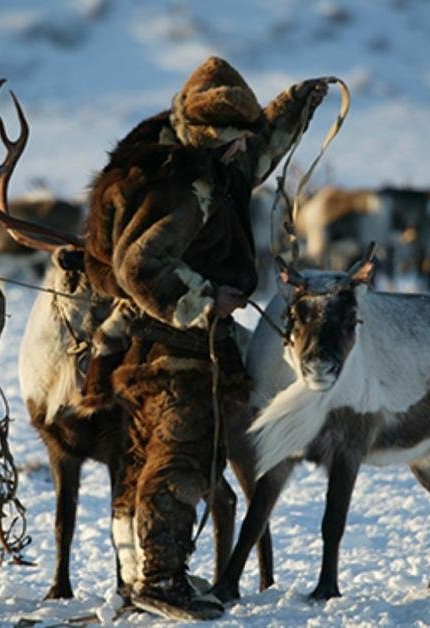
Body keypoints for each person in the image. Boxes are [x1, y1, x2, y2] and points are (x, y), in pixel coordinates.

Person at [83, 56, 328, 619]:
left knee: (147, 458)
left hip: (148, 339)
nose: (245, 149)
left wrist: (295, 105)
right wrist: (201, 299)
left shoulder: (195, 156)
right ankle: (160, 581)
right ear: (213, 137)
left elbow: (257, 152)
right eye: (236, 140)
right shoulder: (183, 187)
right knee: (181, 459)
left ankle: (140, 576)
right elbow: (141, 267)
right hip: (173, 345)